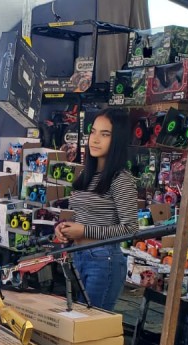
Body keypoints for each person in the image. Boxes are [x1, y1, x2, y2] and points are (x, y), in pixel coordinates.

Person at [55, 108, 138, 311]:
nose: (95, 139)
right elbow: (80, 215)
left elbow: (131, 229)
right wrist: (63, 229)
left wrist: (84, 231)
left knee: (89, 327)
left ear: (117, 139)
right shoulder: (87, 174)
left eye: (105, 134)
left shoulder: (121, 180)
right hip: (79, 255)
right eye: (93, 132)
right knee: (79, 324)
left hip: (104, 261)